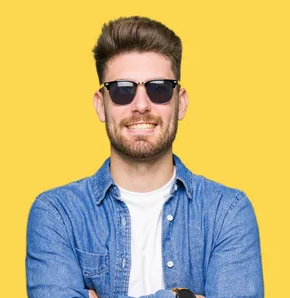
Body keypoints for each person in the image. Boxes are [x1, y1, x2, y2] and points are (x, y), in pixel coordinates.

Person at [25, 16, 263, 298]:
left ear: (181, 102)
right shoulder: (57, 214)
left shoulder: (228, 213)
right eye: (122, 90)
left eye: (159, 88)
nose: (140, 105)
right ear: (101, 105)